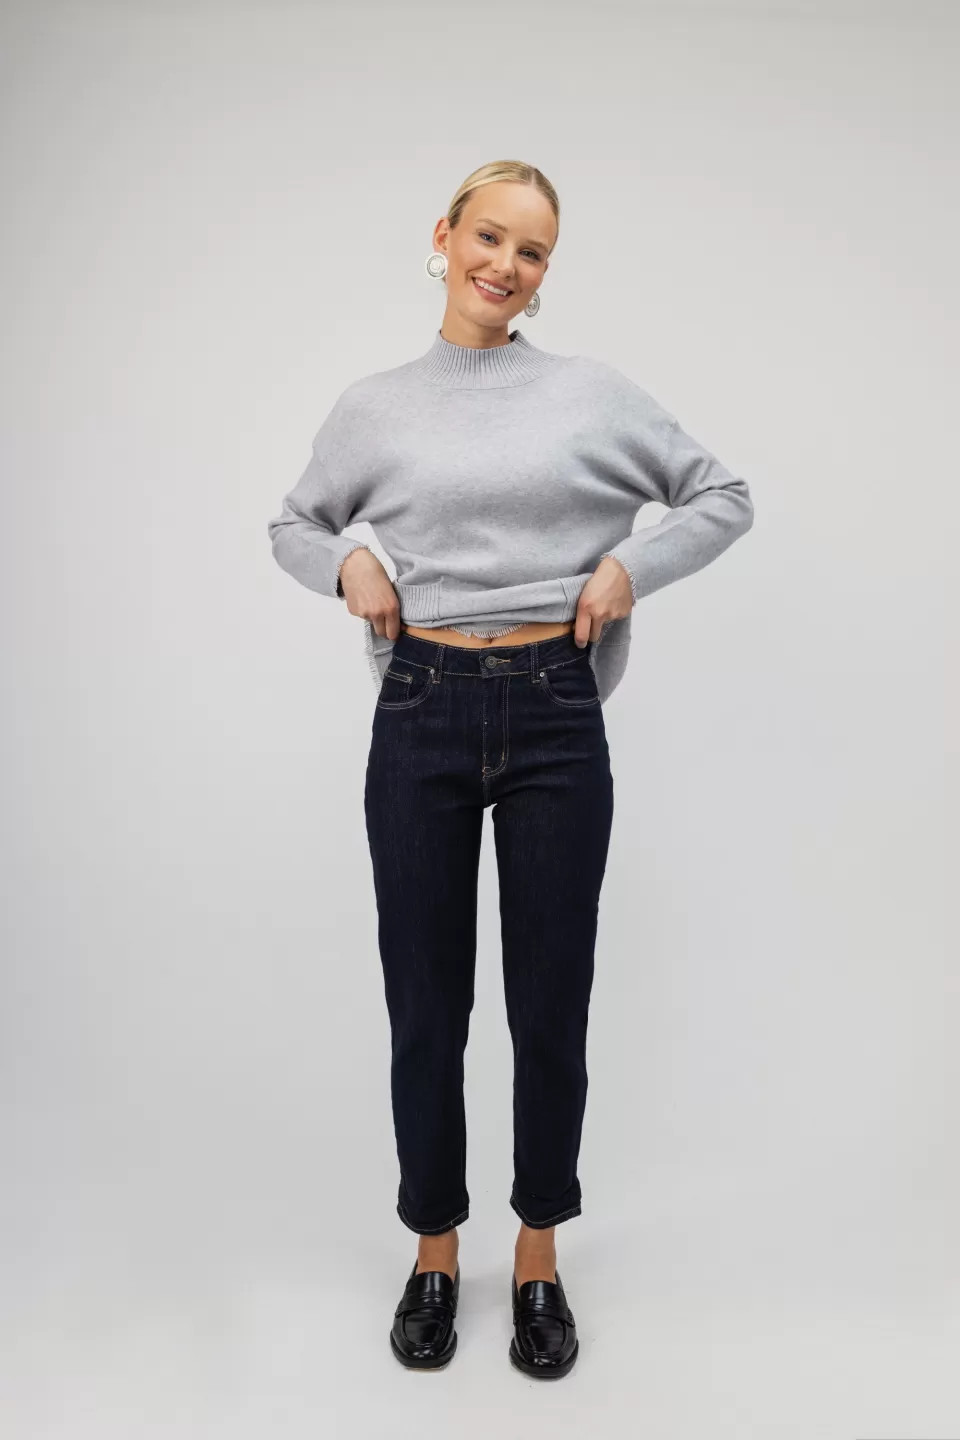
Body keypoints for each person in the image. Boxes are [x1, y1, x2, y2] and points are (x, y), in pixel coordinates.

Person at [267, 159, 755, 1377]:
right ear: (443, 237)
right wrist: (348, 566)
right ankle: (435, 1249)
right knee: (426, 1006)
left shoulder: (590, 395)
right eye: (489, 237)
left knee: (550, 1003)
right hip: (422, 705)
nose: (506, 266)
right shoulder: (376, 407)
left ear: (546, 275)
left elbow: (722, 493)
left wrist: (628, 569)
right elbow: (294, 522)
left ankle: (538, 1255)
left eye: (532, 252)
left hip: (552, 713)